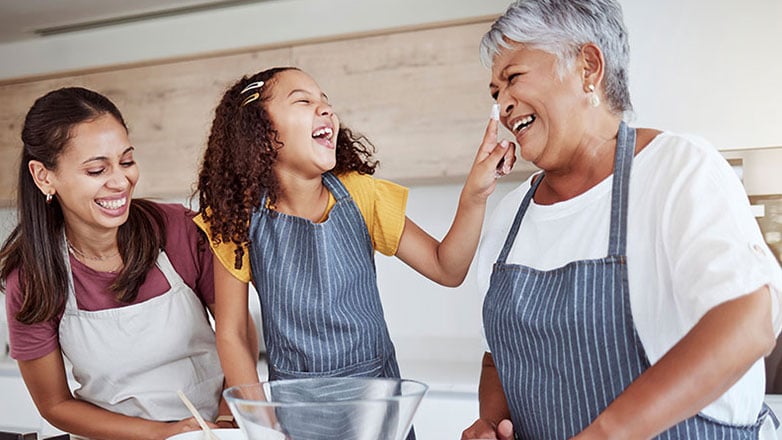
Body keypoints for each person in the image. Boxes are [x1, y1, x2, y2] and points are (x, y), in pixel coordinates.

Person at [461, 1, 782, 439]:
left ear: (588, 67)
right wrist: (491, 423)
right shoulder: (508, 216)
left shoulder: (676, 169)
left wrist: (606, 434)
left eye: (513, 78)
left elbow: (748, 322)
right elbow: (497, 358)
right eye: (496, 93)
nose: (502, 106)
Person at [194, 67, 515, 436]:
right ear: (260, 134)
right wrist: (262, 424)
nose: (326, 109)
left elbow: (447, 268)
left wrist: (474, 194)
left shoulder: (363, 195)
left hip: (376, 412)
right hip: (295, 417)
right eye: (304, 101)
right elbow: (232, 332)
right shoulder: (236, 221)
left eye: (326, 102)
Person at [0, 87, 246, 440]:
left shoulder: (178, 230)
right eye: (97, 169)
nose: (120, 182)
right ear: (44, 176)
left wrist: (224, 423)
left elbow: (237, 331)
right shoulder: (31, 277)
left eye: (127, 161)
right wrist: (164, 433)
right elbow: (54, 404)